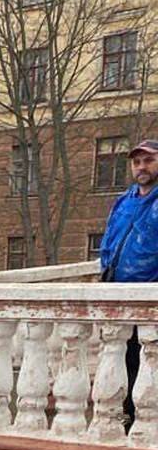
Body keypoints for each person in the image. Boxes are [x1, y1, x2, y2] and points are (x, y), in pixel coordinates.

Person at [99, 139, 158, 425]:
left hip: (150, 293)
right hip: (119, 292)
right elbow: (109, 241)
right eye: (137, 162)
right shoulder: (124, 201)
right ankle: (127, 414)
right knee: (124, 356)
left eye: (148, 160)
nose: (142, 167)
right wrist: (106, 273)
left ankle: (145, 417)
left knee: (150, 358)